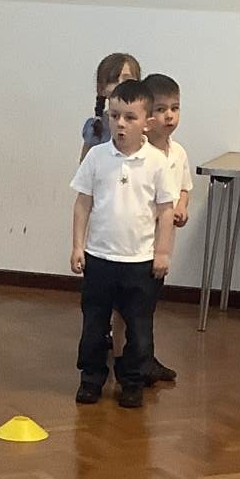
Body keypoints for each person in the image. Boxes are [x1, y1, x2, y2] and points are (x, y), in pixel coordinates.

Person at [70, 77, 175, 408]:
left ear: (146, 123)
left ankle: (132, 381)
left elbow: (166, 211)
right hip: (100, 258)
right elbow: (82, 204)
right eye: (115, 116)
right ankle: (91, 379)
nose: (120, 124)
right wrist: (78, 246)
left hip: (139, 263)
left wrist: (162, 252)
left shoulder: (157, 162)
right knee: (94, 324)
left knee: (139, 329)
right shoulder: (97, 157)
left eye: (130, 117)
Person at [141, 71, 193, 385]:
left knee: (149, 304)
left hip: (163, 244)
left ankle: (145, 357)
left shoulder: (178, 152)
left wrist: (182, 207)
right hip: (138, 242)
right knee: (133, 307)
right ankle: (131, 359)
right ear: (147, 116)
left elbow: (184, 187)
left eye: (174, 108)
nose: (169, 116)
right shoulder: (139, 153)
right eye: (161, 109)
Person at [79, 52, 141, 163]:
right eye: (113, 81)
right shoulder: (95, 128)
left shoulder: (147, 123)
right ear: (101, 89)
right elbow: (84, 166)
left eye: (127, 79)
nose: (120, 85)